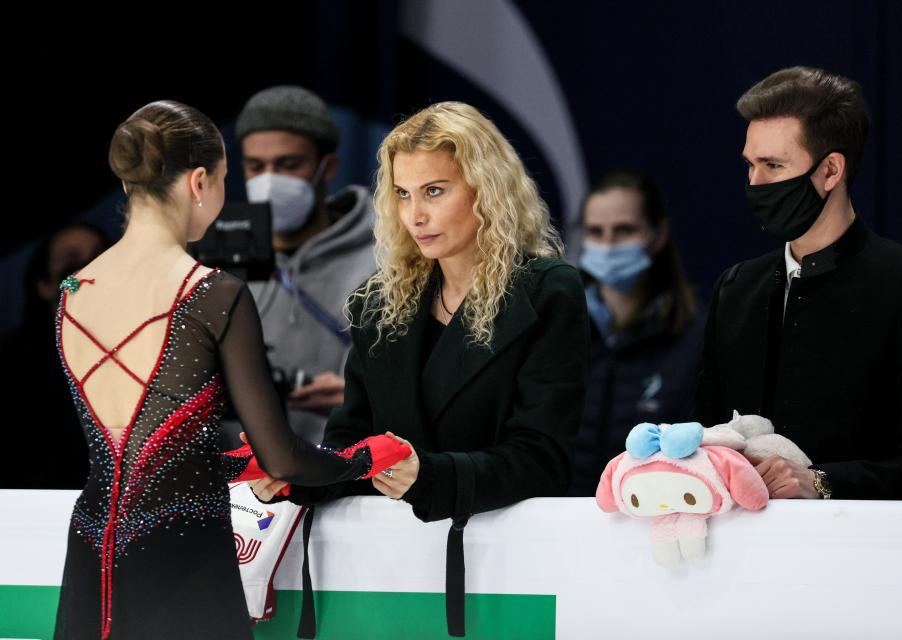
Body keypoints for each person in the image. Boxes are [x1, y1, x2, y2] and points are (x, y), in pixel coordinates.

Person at [51, 100, 405, 640]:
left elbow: (132, 452)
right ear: (200, 181)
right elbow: (282, 457)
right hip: (183, 559)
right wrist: (362, 459)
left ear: (129, 185)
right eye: (223, 180)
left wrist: (220, 462)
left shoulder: (72, 293)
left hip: (90, 548)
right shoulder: (212, 294)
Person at [251, 101, 590, 634]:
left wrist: (430, 477)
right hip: (385, 569)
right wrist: (299, 475)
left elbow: (542, 457)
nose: (415, 215)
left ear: (487, 189)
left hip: (502, 568)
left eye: (435, 191)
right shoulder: (376, 303)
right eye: (403, 195)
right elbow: (350, 442)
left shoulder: (547, 290)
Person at [692, 66, 902, 500]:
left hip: (865, 553)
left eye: (773, 165)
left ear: (831, 170)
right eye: (750, 165)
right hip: (742, 555)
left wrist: (822, 482)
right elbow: (707, 434)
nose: (755, 184)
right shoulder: (737, 288)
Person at [235, 85, 378, 443]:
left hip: (349, 476)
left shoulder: (387, 255)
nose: (269, 180)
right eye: (256, 166)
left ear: (327, 168)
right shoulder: (219, 252)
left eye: (288, 164)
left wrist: (366, 395)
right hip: (237, 479)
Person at [568, 168, 704, 497]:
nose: (608, 244)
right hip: (563, 522)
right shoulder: (558, 329)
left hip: (654, 523)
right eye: (595, 232)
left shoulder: (698, 333)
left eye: (624, 230)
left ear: (657, 234)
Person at [0, 222, 110, 489]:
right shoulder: (12, 362)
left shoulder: (147, 353)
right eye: (71, 259)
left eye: (100, 255)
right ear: (45, 285)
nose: (88, 267)